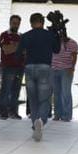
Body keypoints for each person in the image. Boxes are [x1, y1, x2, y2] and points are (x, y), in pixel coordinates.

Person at [19, 13, 60, 141]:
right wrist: (56, 34)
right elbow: (57, 50)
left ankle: (34, 123)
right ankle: (41, 121)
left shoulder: (26, 35)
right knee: (44, 99)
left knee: (33, 99)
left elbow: (18, 53)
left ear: (31, 23)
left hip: (29, 67)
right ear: (42, 22)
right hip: (45, 68)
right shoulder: (49, 35)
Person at [0, 15, 24, 119]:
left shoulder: (21, 36)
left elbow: (25, 51)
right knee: (5, 90)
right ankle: (2, 112)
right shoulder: (4, 35)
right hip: (8, 67)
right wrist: (19, 47)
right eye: (14, 23)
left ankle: (13, 112)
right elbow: (6, 50)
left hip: (20, 67)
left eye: (17, 23)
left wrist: (14, 47)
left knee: (16, 91)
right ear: (10, 22)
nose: (15, 25)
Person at [51, 27, 78, 122]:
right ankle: (57, 114)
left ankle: (66, 115)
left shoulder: (72, 42)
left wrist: (72, 67)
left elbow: (74, 56)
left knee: (65, 92)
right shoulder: (54, 42)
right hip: (54, 70)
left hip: (66, 70)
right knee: (56, 93)